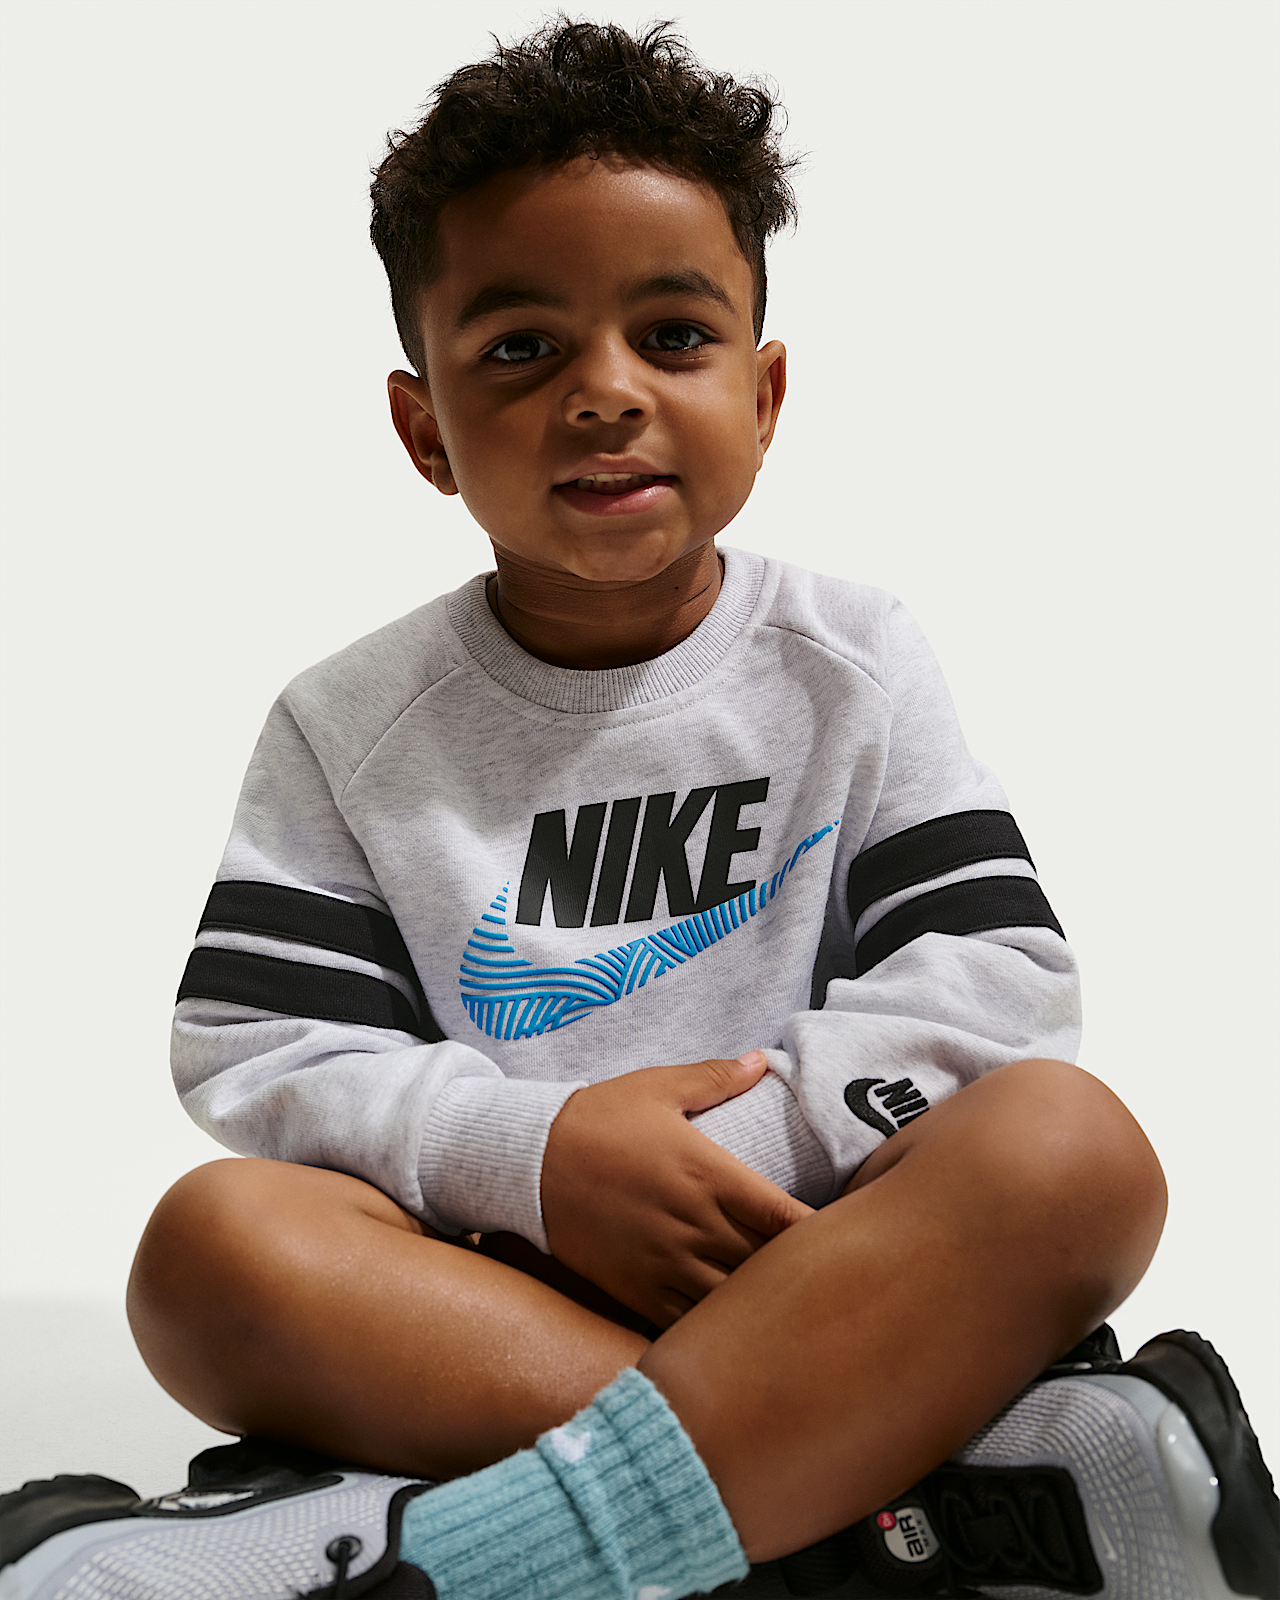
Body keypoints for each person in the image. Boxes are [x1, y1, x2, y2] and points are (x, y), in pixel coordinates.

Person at [2, 19, 1275, 1600]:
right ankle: (911, 1509)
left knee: (1073, 1152)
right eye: (521, 350)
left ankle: (484, 1551)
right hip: (502, 1295)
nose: (605, 393)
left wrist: (740, 1152)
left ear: (765, 390)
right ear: (423, 428)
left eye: (673, 335)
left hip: (829, 1258)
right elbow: (265, 1051)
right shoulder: (347, 727)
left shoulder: (854, 662)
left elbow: (994, 982)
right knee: (210, 1255)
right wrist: (536, 1161)